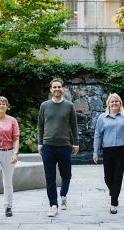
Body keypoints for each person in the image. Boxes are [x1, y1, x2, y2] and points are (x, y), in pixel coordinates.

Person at [37, 78, 79, 217]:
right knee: (50, 177)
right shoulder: (44, 105)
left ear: (63, 89)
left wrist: (76, 143)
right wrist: (39, 143)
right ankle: (53, 204)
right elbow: (40, 125)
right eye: (54, 87)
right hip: (48, 145)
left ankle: (63, 195)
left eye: (59, 87)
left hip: (65, 145)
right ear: (51, 89)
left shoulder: (69, 106)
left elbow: (74, 125)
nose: (56, 89)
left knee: (66, 175)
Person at [93, 93, 124, 214]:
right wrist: (95, 151)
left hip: (122, 150)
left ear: (120, 103)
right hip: (108, 150)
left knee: (117, 177)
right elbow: (97, 135)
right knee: (107, 178)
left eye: (116, 101)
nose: (114, 103)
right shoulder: (102, 118)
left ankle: (113, 202)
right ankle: (114, 192)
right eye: (112, 101)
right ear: (108, 104)